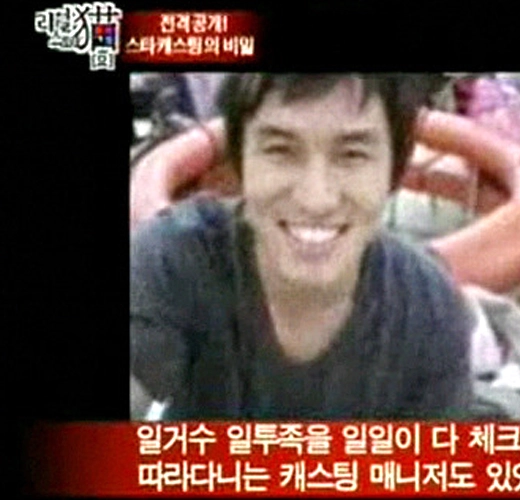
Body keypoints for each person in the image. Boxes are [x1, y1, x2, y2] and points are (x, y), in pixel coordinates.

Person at [131, 74, 478, 420]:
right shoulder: (176, 261)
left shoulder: (428, 313)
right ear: (240, 162)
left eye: (351, 155)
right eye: (281, 151)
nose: (316, 198)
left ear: (393, 169)